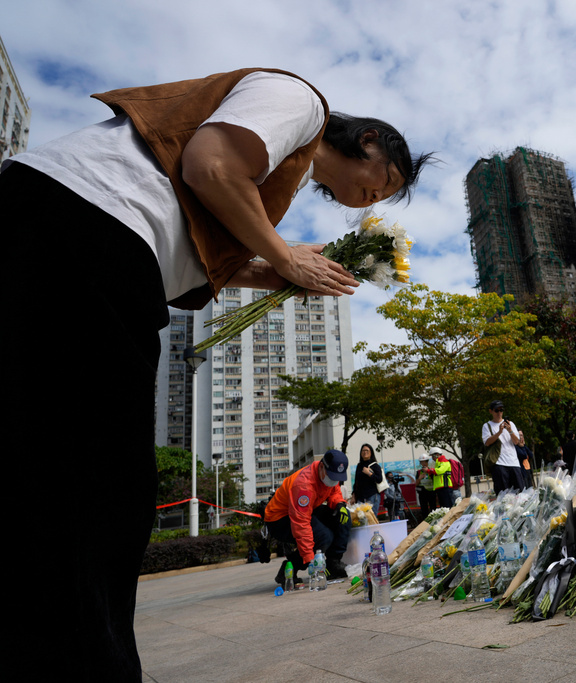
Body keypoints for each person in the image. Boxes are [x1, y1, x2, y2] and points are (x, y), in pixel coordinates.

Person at [2, 67, 431, 680]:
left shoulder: (273, 176)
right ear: (367, 140)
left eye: (381, 202)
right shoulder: (302, 101)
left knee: (55, 479)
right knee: (99, 490)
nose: (370, 201)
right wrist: (285, 257)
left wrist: (275, 269)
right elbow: (209, 165)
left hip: (74, 237)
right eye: (380, 183)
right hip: (85, 228)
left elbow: (199, 251)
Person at [264, 449, 351, 582]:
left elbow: (334, 490)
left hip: (307, 509)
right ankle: (289, 568)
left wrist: (339, 503)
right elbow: (301, 524)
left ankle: (334, 563)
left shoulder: (328, 474)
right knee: (323, 537)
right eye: (332, 477)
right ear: (321, 467)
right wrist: (311, 560)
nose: (334, 481)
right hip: (279, 519)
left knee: (342, 517)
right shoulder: (304, 486)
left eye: (337, 478)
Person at [482, 399, 526, 494]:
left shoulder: (511, 424)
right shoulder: (487, 426)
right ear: (491, 411)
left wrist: (510, 430)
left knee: (520, 494)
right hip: (499, 463)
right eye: (496, 410)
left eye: (501, 410)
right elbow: (487, 442)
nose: (499, 413)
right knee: (503, 495)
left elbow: (516, 442)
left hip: (514, 463)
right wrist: (499, 432)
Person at [351, 444, 385, 515]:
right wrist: (353, 495)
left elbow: (379, 479)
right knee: (361, 520)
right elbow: (356, 481)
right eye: (363, 450)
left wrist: (369, 473)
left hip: (372, 495)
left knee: (371, 518)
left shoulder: (375, 465)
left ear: (371, 452)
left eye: (367, 450)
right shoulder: (359, 466)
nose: (365, 452)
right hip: (360, 497)